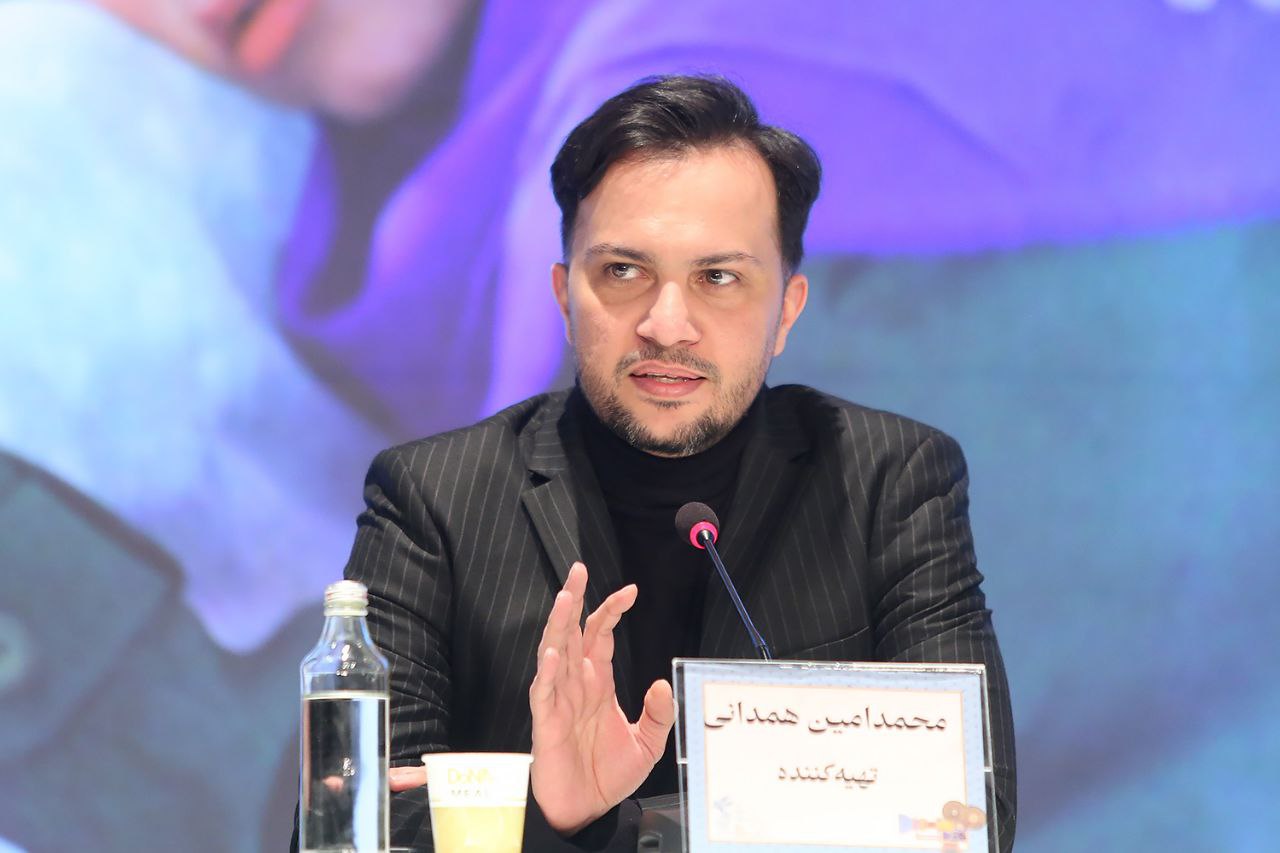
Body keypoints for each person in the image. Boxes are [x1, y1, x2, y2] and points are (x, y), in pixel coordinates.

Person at [331, 75, 1017, 851]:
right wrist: (556, 816)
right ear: (564, 297)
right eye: (623, 272)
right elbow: (351, 827)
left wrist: (613, 828)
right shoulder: (434, 500)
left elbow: (967, 814)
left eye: (717, 278)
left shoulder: (890, 481)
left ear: (786, 311)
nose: (666, 325)